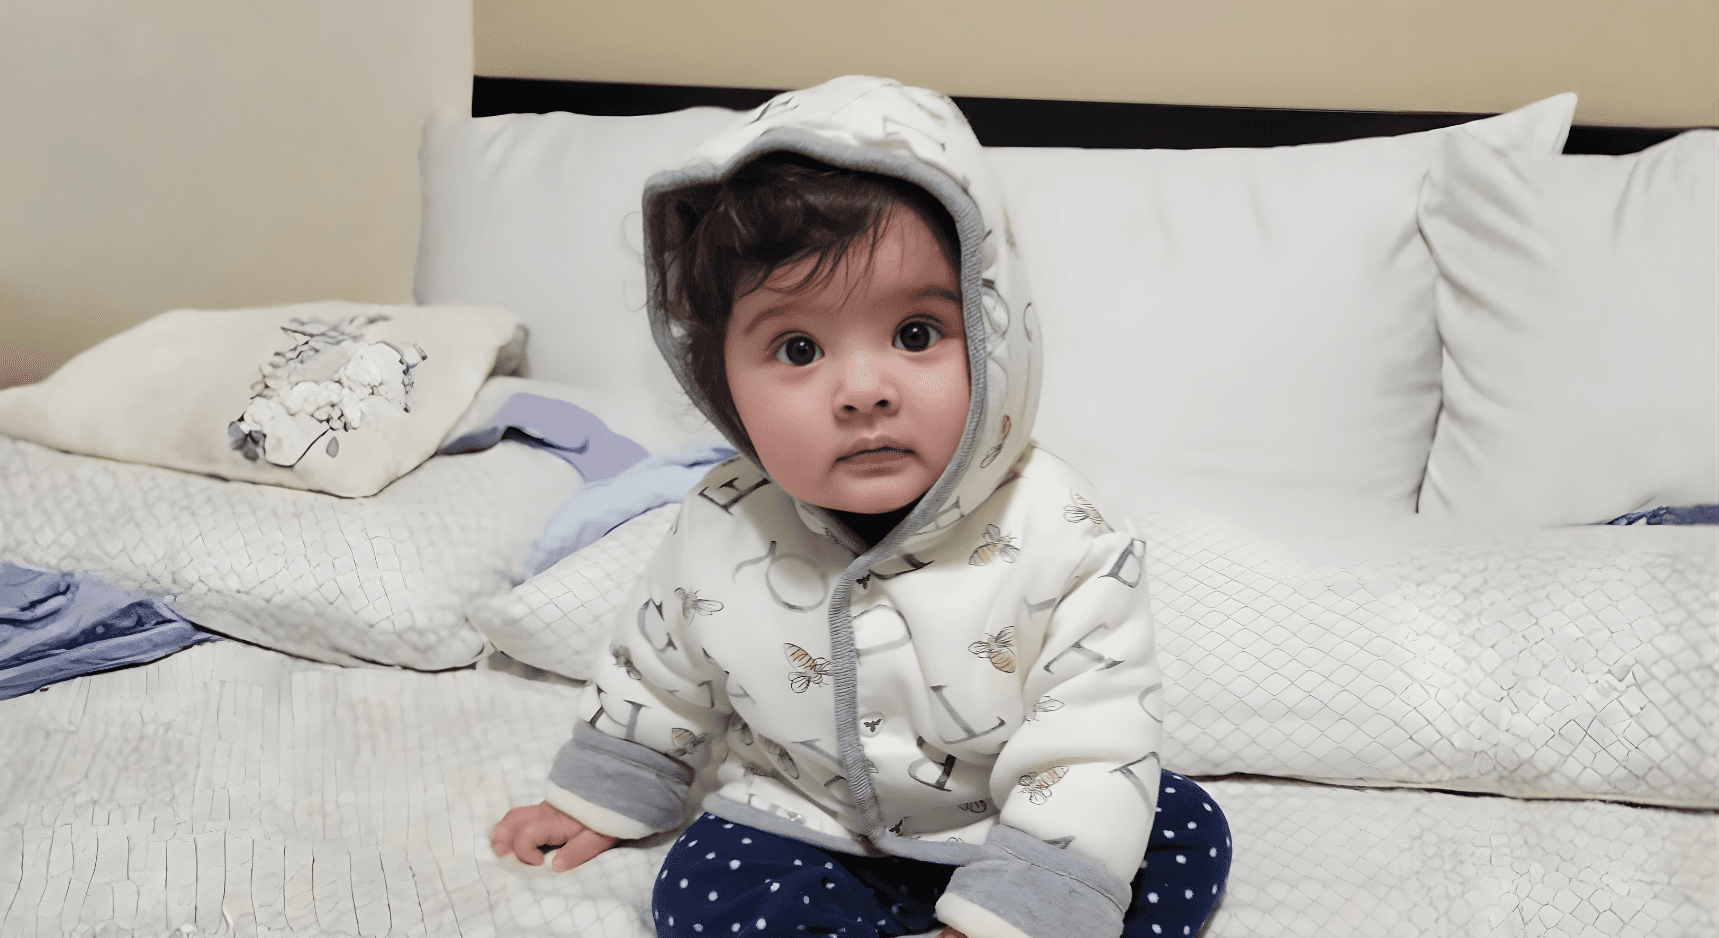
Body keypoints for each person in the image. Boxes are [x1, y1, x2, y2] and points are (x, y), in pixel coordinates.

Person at [491, 76, 1230, 938]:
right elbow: (658, 670)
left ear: (993, 335)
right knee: (702, 894)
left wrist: (1026, 903)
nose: (862, 392)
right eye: (797, 348)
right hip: (807, 817)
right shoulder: (722, 517)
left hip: (1008, 819)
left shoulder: (1071, 538)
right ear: (717, 377)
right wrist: (606, 789)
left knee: (1175, 827)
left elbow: (1091, 739)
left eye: (915, 334)